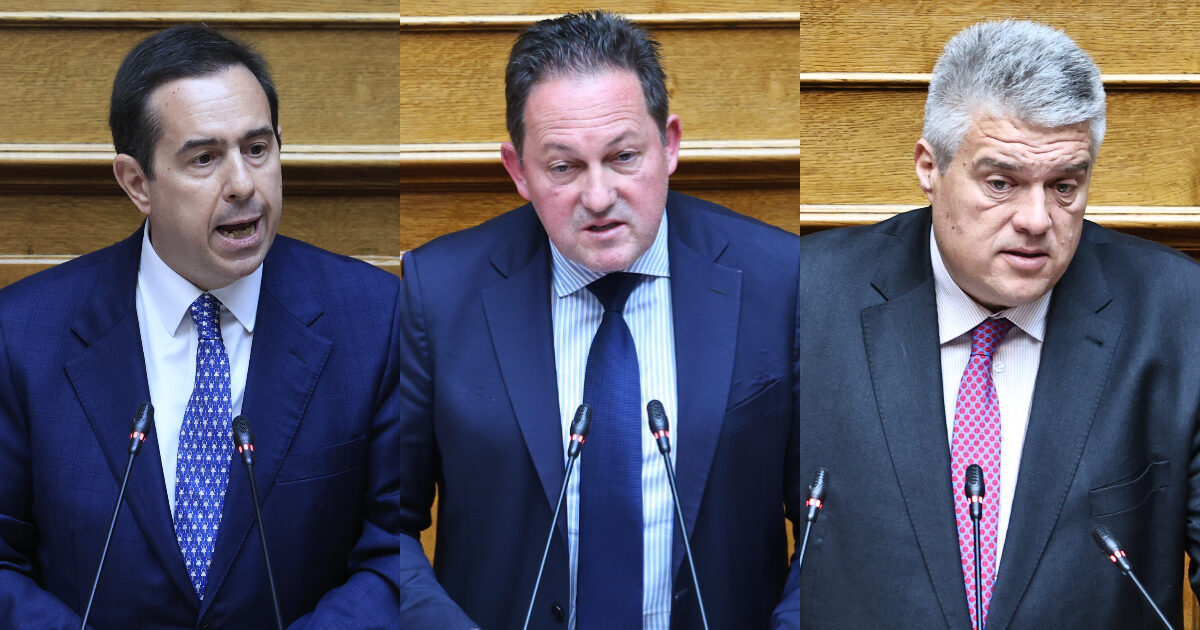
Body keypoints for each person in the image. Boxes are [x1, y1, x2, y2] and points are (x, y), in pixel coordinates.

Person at [0, 25, 466, 629]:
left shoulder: (375, 319)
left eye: (257, 149)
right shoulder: (23, 334)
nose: (243, 184)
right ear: (137, 183)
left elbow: (389, 551)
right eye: (204, 158)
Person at [390, 10, 803, 629]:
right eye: (564, 167)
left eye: (624, 156)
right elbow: (386, 522)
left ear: (670, 145)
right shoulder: (440, 293)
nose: (599, 196)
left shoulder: (780, 279)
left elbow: (832, 517)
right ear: (518, 171)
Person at [787, 19, 1200, 628]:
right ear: (929, 168)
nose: (1037, 220)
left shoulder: (1178, 312)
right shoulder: (807, 297)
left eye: (1064, 186)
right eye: (1001, 183)